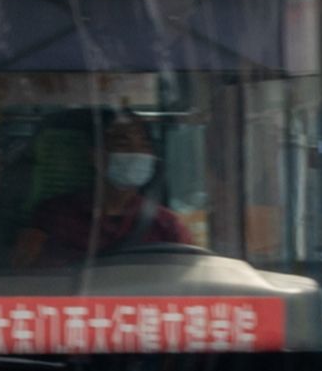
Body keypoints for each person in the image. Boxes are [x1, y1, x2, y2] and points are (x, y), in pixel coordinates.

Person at [14, 112, 191, 266]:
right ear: (96, 156)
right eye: (123, 145)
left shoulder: (165, 224)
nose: (137, 153)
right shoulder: (54, 216)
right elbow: (26, 277)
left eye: (144, 146)